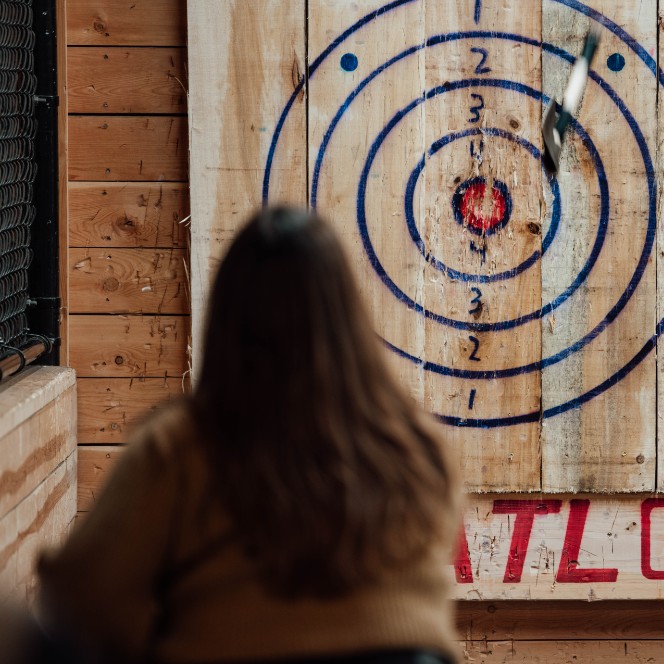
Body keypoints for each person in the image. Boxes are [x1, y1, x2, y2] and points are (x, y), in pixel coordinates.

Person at [31, 206, 464, 663]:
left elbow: (79, 597)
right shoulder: (419, 444)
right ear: (348, 315)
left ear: (229, 319)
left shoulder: (181, 446)